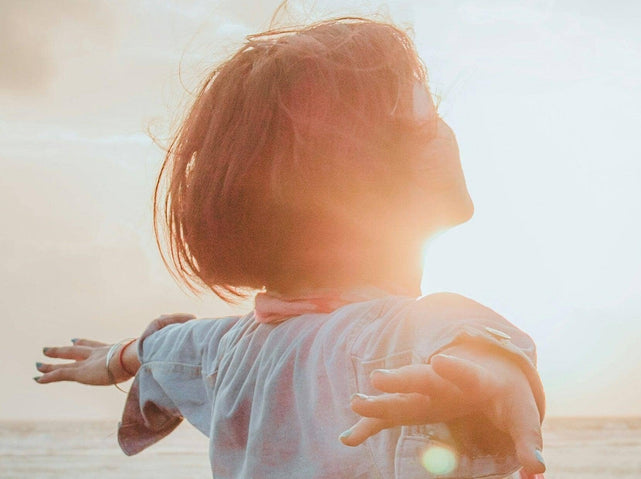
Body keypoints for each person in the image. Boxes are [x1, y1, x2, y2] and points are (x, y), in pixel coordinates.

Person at [33, 17, 547, 479]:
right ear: (357, 181)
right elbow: (451, 331)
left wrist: (116, 358)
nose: (445, 129)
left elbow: (173, 350)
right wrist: (492, 368)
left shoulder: (231, 348)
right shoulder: (378, 340)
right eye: (424, 118)